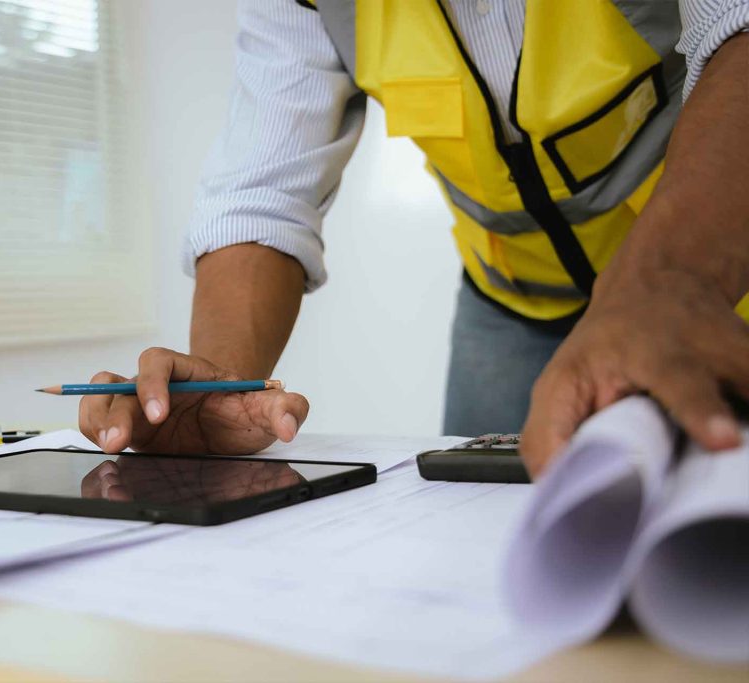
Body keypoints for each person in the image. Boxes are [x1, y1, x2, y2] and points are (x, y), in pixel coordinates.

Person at [79, 1, 749, 478]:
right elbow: (260, 194)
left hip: (701, 278)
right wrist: (219, 390)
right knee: (472, 519)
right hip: (509, 302)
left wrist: (670, 283)